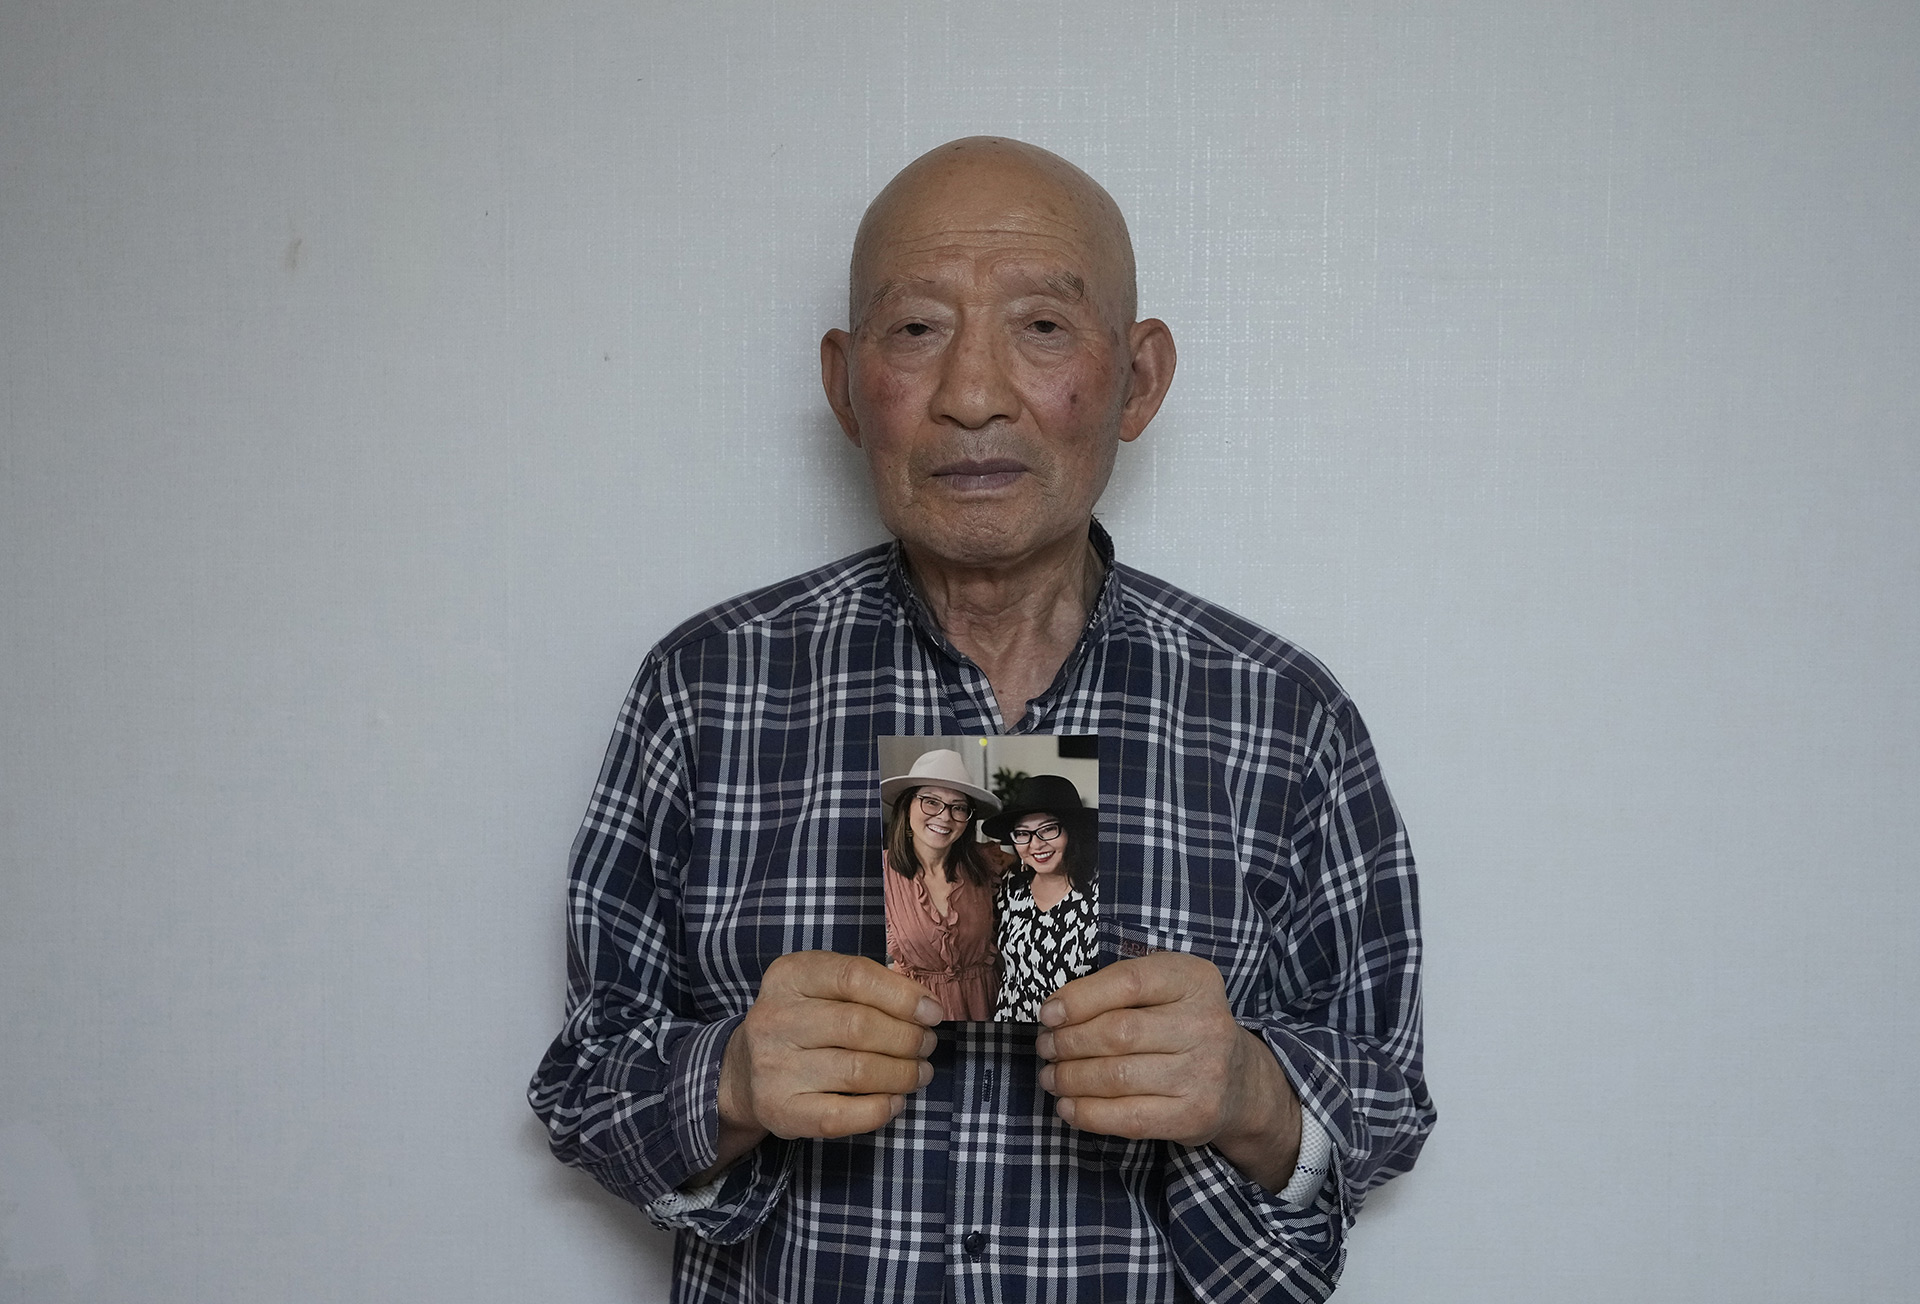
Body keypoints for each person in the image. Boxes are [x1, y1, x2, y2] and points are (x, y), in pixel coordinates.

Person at [529, 136, 1432, 1302]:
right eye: (916, 330)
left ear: (1140, 378)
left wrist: (1255, 1093)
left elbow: (1389, 1101)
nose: (971, 393)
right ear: (847, 384)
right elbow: (581, 1084)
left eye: (1042, 326)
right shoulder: (704, 687)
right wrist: (730, 1078)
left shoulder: (1283, 711)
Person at [878, 748, 1002, 1020]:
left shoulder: (988, 863)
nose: (945, 817)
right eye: (931, 802)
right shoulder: (879, 872)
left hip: (986, 1007)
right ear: (906, 806)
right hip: (915, 1013)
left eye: (958, 807)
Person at [981, 774, 1099, 1022]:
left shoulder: (1100, 892)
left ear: (1072, 831)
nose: (1035, 844)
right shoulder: (1011, 887)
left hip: (1076, 1036)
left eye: (1048, 830)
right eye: (1022, 833)